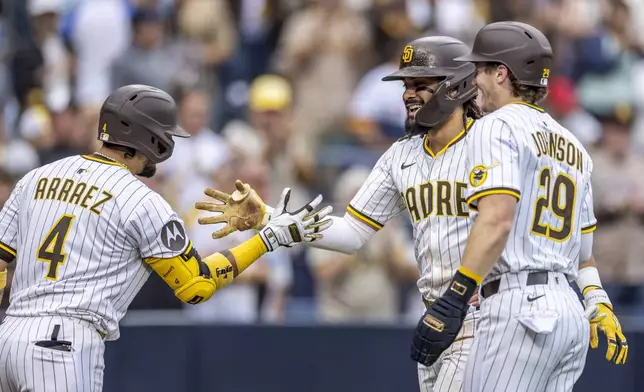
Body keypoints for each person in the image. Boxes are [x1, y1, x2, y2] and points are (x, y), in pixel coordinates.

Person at [196, 36, 484, 392]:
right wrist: (269, 217)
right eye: (406, 85)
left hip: (486, 311)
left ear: (455, 87)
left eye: (421, 85)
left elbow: (512, 221)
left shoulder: (490, 143)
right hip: (435, 315)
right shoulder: (402, 155)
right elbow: (350, 232)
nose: (409, 94)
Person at [0, 84, 333, 392]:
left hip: (8, 337)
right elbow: (196, 287)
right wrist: (267, 240)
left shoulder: (36, 177)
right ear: (151, 139)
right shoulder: (141, 199)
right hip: (64, 345)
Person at [413, 21, 628, 392]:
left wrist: (456, 296)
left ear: (502, 73)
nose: (473, 79)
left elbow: (497, 218)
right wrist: (599, 303)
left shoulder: (495, 126)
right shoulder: (574, 144)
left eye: (480, 69)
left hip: (519, 308)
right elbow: (584, 255)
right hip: (569, 316)